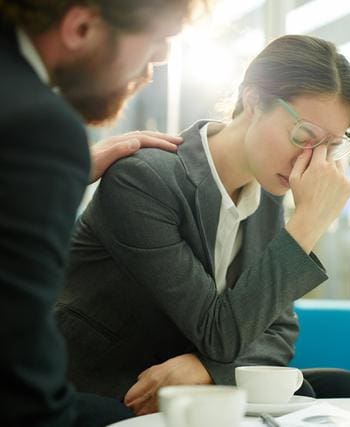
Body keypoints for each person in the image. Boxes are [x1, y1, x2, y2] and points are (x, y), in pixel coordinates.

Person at [56, 34, 350, 415]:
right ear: (254, 101)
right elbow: (217, 332)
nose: (312, 161)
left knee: (343, 386)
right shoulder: (145, 179)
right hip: (116, 388)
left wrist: (206, 369)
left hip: (194, 388)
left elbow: (279, 331)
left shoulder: (267, 199)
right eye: (304, 136)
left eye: (329, 147)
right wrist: (307, 224)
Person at [0, 1, 208, 425]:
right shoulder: (37, 126)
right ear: (80, 26)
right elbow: (15, 363)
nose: (151, 71)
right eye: (151, 48)